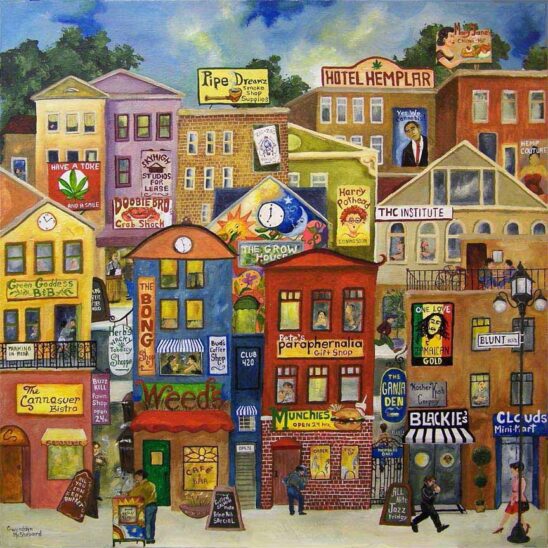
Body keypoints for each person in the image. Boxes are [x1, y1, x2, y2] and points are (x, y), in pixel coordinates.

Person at [493, 462, 530, 535]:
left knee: (517, 514)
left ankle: (525, 525)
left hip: (518, 500)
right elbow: (513, 490)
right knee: (508, 512)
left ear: (517, 470)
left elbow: (520, 492)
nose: (511, 472)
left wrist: (514, 500)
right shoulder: (514, 479)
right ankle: (500, 526)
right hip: (513, 499)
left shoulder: (522, 480)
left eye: (512, 471)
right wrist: (512, 499)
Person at [128, 469, 157, 544]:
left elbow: (138, 494)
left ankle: (148, 538)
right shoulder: (140, 485)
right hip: (150, 505)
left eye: (137, 477)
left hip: (149, 505)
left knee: (148, 522)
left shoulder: (148, 485)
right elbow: (132, 492)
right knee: (151, 522)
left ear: (141, 476)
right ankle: (151, 538)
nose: (135, 478)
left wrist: (130, 492)